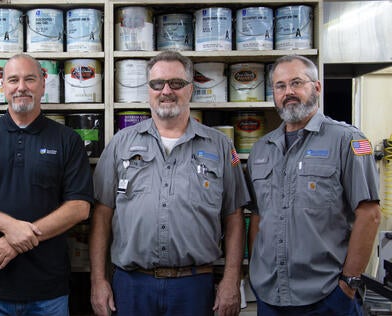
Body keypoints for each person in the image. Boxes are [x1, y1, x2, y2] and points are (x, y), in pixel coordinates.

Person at [89, 51, 250, 316]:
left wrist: (232, 279)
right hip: (131, 285)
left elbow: (234, 217)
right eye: (157, 84)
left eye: (176, 83)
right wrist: (98, 281)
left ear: (190, 89)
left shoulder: (220, 145)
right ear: (148, 90)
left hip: (195, 287)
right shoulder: (121, 143)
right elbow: (102, 215)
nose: (166, 91)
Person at [0, 54, 94, 315]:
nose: (21, 87)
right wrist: (10, 227)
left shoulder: (67, 139)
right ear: (3, 86)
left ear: (43, 84)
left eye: (30, 79)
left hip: (49, 291)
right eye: (13, 80)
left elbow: (79, 207)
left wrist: (16, 240)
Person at [247, 55, 381, 315]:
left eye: (297, 83)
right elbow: (258, 216)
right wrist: (256, 272)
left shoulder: (348, 141)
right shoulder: (261, 149)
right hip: (269, 295)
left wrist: (348, 283)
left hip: (327, 296)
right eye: (280, 86)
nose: (289, 92)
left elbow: (370, 214)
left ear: (317, 87)